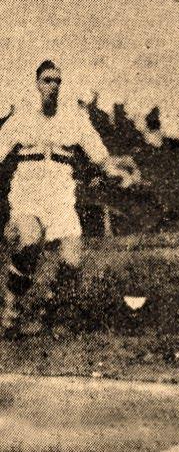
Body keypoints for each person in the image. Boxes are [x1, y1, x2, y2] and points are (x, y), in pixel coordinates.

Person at [0, 60, 137, 337]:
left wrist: (120, 171)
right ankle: (10, 311)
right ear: (37, 84)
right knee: (29, 242)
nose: (53, 86)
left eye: (57, 81)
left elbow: (100, 157)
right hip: (29, 191)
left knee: (72, 260)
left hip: (61, 194)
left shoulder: (75, 118)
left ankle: (49, 313)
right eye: (47, 80)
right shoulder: (20, 118)